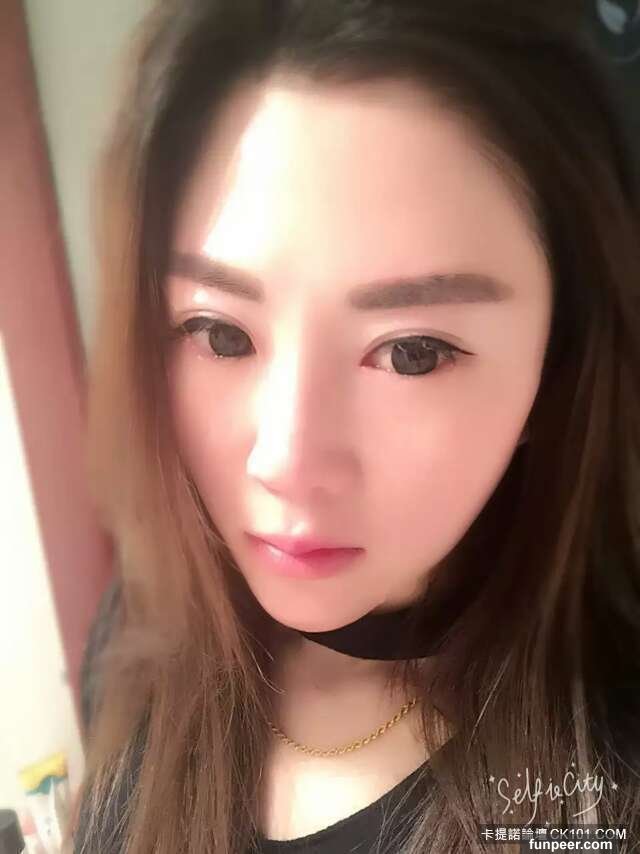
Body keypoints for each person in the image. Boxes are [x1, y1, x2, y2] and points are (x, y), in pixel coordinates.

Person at [68, 1, 640, 852]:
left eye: (412, 353)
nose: (287, 462)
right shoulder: (136, 639)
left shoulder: (602, 782)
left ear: (557, 369)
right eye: (219, 334)